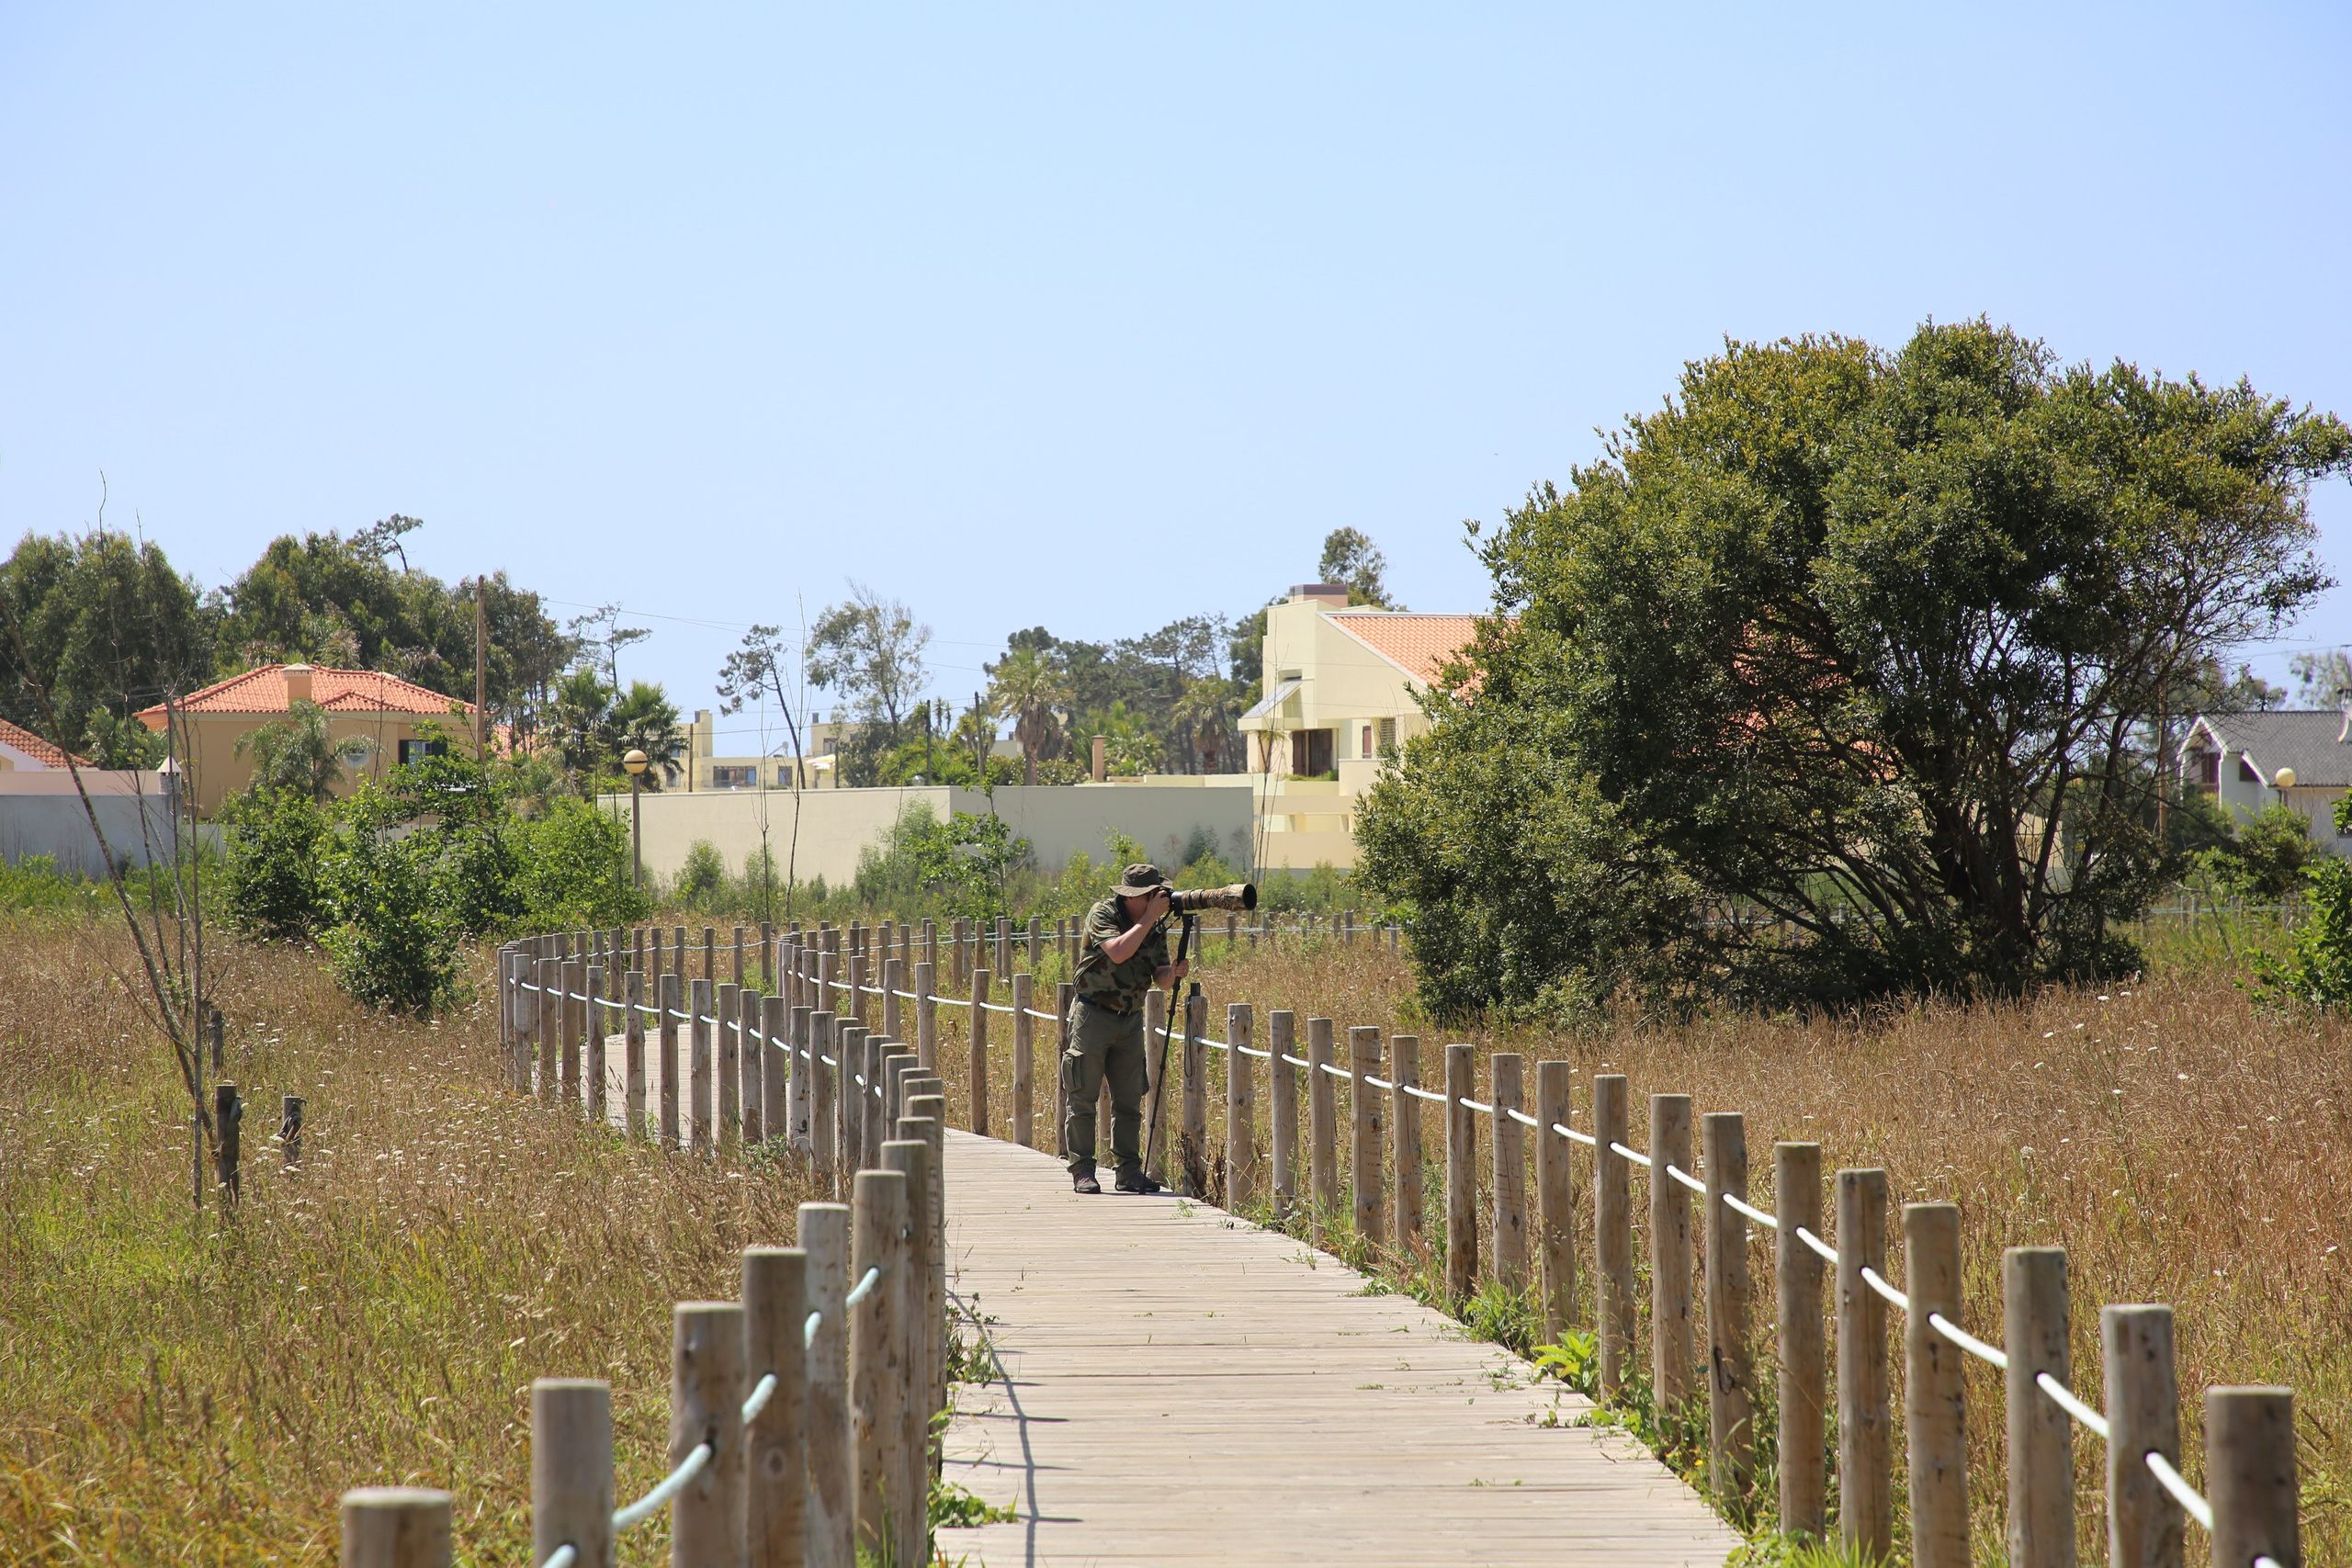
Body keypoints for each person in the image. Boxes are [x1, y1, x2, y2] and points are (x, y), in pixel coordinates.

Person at [1062, 863, 1188, 1193]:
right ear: (1133, 897)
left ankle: (1128, 1172)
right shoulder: (1103, 913)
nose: (1159, 900)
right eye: (1152, 895)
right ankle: (1083, 1170)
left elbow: (1160, 978)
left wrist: (1173, 973)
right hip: (1093, 1015)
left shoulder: (1154, 926)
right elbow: (1118, 952)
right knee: (1083, 1096)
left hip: (1130, 1019)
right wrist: (1149, 920)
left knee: (1130, 1099)